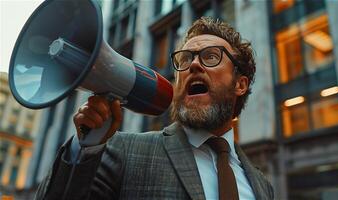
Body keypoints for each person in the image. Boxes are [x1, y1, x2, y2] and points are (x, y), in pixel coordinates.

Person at [35, 17, 274, 200]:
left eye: (211, 57)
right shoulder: (122, 150)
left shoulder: (262, 186)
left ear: (240, 84)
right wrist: (85, 149)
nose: (193, 65)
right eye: (184, 59)